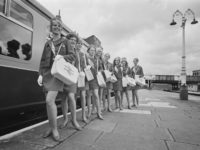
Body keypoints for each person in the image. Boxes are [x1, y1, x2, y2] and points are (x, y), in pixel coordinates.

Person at [37, 15, 76, 141]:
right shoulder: (47, 43)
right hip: (47, 74)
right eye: (55, 25)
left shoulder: (66, 42)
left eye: (59, 26)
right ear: (51, 27)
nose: (57, 27)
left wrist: (62, 58)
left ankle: (54, 129)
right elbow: (43, 60)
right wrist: (40, 74)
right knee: (48, 104)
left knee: (49, 101)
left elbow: (73, 56)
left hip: (57, 74)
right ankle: (51, 126)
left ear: (61, 28)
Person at [59, 32, 82, 130]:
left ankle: (74, 120)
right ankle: (65, 119)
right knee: (63, 99)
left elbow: (79, 66)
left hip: (73, 77)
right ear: (68, 40)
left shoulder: (78, 53)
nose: (73, 41)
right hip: (64, 77)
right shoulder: (64, 49)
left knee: (71, 97)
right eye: (71, 39)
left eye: (75, 40)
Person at [74, 39, 89, 123]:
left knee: (83, 96)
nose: (79, 45)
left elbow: (87, 65)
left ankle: (83, 115)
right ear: (75, 44)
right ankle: (74, 116)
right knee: (74, 97)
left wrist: (87, 68)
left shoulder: (83, 55)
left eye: (80, 44)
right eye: (78, 43)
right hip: (74, 77)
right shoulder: (72, 52)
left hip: (82, 77)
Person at [87, 45, 103, 120]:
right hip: (88, 78)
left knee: (96, 95)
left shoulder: (97, 60)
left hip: (95, 79)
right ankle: (89, 112)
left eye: (93, 50)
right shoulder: (86, 58)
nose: (92, 51)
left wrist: (99, 71)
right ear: (88, 51)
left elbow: (100, 68)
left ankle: (98, 113)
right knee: (89, 95)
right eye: (91, 50)